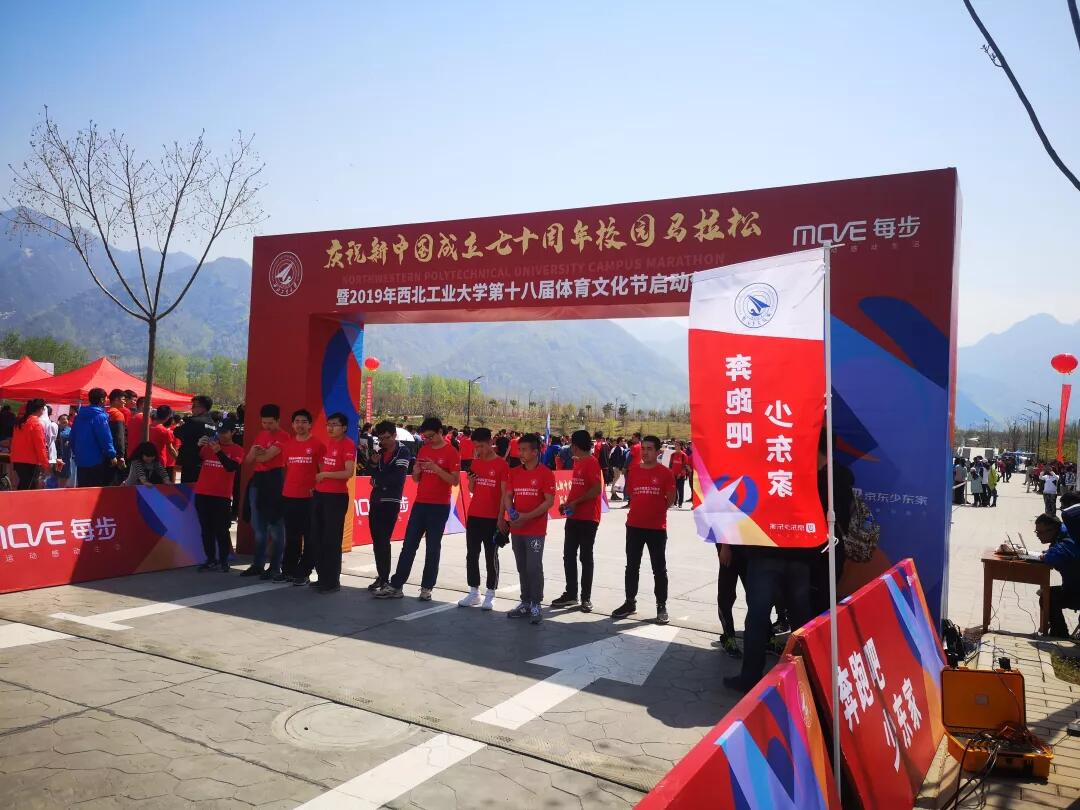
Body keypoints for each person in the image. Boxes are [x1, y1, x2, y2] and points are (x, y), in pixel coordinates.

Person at [377, 416, 460, 600]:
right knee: (408, 545)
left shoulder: (451, 452)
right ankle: (396, 585)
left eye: (431, 436)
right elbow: (416, 479)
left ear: (440, 432)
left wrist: (436, 468)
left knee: (432, 548)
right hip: (420, 504)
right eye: (425, 437)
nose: (428, 440)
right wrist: (416, 472)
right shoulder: (423, 449)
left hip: (439, 506)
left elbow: (455, 481)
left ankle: (427, 587)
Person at [613, 435, 675, 624]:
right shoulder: (634, 471)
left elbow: (671, 499)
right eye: (643, 448)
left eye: (649, 449)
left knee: (659, 569)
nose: (645, 452)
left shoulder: (665, 473)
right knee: (632, 567)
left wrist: (655, 511)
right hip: (634, 526)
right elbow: (632, 493)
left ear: (658, 452)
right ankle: (630, 602)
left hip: (656, 528)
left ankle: (661, 606)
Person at [500, 433, 556, 624]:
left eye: (524, 450)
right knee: (522, 566)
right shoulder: (514, 472)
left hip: (535, 530)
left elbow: (549, 502)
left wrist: (527, 517)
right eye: (519, 450)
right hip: (517, 528)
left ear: (535, 451)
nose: (520, 453)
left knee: (534, 566)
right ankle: (525, 602)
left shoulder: (546, 473)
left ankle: (536, 603)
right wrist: (511, 512)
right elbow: (508, 495)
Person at [550, 430, 603, 612]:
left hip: (588, 517)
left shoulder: (592, 462)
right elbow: (578, 489)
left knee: (585, 557)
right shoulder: (578, 462)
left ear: (575, 445)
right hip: (574, 516)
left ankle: (585, 598)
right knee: (569, 555)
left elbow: (596, 489)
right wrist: (567, 504)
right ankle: (571, 594)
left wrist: (575, 502)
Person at [458, 427, 508, 609]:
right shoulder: (475, 463)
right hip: (474, 515)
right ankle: (474, 592)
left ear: (490, 443)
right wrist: (472, 480)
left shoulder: (502, 465)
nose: (478, 450)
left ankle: (490, 593)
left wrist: (501, 517)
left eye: (481, 446)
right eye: (476, 447)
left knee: (490, 555)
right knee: (472, 554)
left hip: (492, 517)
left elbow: (504, 494)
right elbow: (472, 489)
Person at [308, 412, 357, 593]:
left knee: (331, 539)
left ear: (344, 427)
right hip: (320, 494)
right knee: (318, 537)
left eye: (335, 425)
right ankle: (322, 577)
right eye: (328, 424)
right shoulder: (328, 443)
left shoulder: (348, 444)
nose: (330, 428)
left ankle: (332, 581)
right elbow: (323, 466)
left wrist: (326, 475)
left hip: (336, 497)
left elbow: (348, 472)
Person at [243, 404, 290, 580]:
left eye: (270, 423)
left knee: (276, 526)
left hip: (274, 481)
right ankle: (258, 564)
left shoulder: (283, 436)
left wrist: (259, 453)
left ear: (278, 420)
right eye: (264, 422)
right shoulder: (261, 434)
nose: (267, 426)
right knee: (258, 526)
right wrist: (257, 453)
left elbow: (266, 457)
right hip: (258, 480)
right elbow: (248, 460)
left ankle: (275, 566)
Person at [365, 420, 412, 592]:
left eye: (387, 438)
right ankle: (382, 575)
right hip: (376, 500)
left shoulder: (403, 451)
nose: (384, 441)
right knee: (377, 540)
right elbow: (369, 473)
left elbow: (398, 478)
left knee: (383, 539)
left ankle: (385, 578)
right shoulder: (379, 451)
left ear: (394, 435)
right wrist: (373, 464)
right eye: (381, 438)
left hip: (391, 501)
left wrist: (378, 480)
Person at [193, 420, 245, 572]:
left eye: (225, 432)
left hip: (221, 496)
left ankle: (223, 560)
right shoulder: (207, 447)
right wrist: (196, 446)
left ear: (233, 432)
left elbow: (231, 467)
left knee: (221, 530)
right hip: (202, 493)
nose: (221, 435)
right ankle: (210, 559)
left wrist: (218, 451)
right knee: (206, 529)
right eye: (219, 432)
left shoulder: (237, 450)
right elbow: (190, 461)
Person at [280, 409, 325, 585]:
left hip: (309, 498)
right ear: (292, 424)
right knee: (292, 536)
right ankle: (288, 570)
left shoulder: (318, 445)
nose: (300, 425)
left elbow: (323, 472)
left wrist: (317, 490)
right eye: (297, 421)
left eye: (304, 421)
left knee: (310, 536)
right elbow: (287, 469)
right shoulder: (288, 445)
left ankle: (304, 571)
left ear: (310, 424)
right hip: (289, 495)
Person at [1034, 512, 1080, 638]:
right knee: (1048, 595)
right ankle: (1060, 633)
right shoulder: (1063, 534)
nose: (1037, 535)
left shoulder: (1068, 539)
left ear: (1052, 529)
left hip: (1076, 591)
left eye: (1040, 532)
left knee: (1048, 597)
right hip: (1073, 587)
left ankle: (1059, 635)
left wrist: (1046, 555)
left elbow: (1053, 556)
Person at [70, 388, 119, 487]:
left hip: (81, 459)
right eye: (106, 398)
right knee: (95, 490)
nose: (107, 400)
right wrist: (112, 455)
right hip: (96, 460)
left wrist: (77, 453)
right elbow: (105, 438)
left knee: (83, 489)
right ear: (102, 400)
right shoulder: (100, 416)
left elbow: (72, 437)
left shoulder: (79, 416)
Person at [175, 396, 216, 483]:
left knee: (188, 489)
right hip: (207, 464)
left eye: (194, 406)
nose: (192, 409)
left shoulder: (193, 421)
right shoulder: (213, 423)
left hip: (191, 463)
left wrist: (180, 426)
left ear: (203, 408)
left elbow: (177, 432)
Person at [715, 542, 746, 657]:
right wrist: (725, 546)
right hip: (730, 545)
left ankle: (767, 636)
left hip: (751, 546)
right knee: (726, 594)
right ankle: (728, 637)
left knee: (757, 594)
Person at [10, 399, 49, 490]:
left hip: (18, 460)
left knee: (23, 485)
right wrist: (45, 464)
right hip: (30, 462)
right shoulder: (35, 424)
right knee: (29, 488)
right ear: (40, 409)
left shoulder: (20, 423)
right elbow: (40, 446)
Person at [106, 389, 129, 483]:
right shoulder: (118, 414)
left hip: (104, 453)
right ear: (116, 400)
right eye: (123, 399)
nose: (125, 402)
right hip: (115, 455)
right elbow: (120, 437)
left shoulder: (105, 412)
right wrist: (121, 455)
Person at [669, 441, 690, 508]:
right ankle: (674, 502)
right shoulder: (672, 455)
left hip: (681, 475)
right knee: (674, 489)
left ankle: (680, 503)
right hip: (673, 475)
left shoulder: (683, 455)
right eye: (675, 445)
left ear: (681, 446)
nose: (676, 446)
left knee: (680, 489)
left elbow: (684, 466)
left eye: (678, 445)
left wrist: (680, 473)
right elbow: (670, 465)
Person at [55, 413, 73, 487]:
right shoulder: (55, 429)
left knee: (65, 474)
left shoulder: (70, 430)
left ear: (68, 421)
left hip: (66, 456)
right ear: (58, 421)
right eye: (62, 419)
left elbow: (74, 440)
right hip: (56, 456)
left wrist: (69, 441)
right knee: (56, 473)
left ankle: (61, 489)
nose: (64, 420)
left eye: (65, 419)